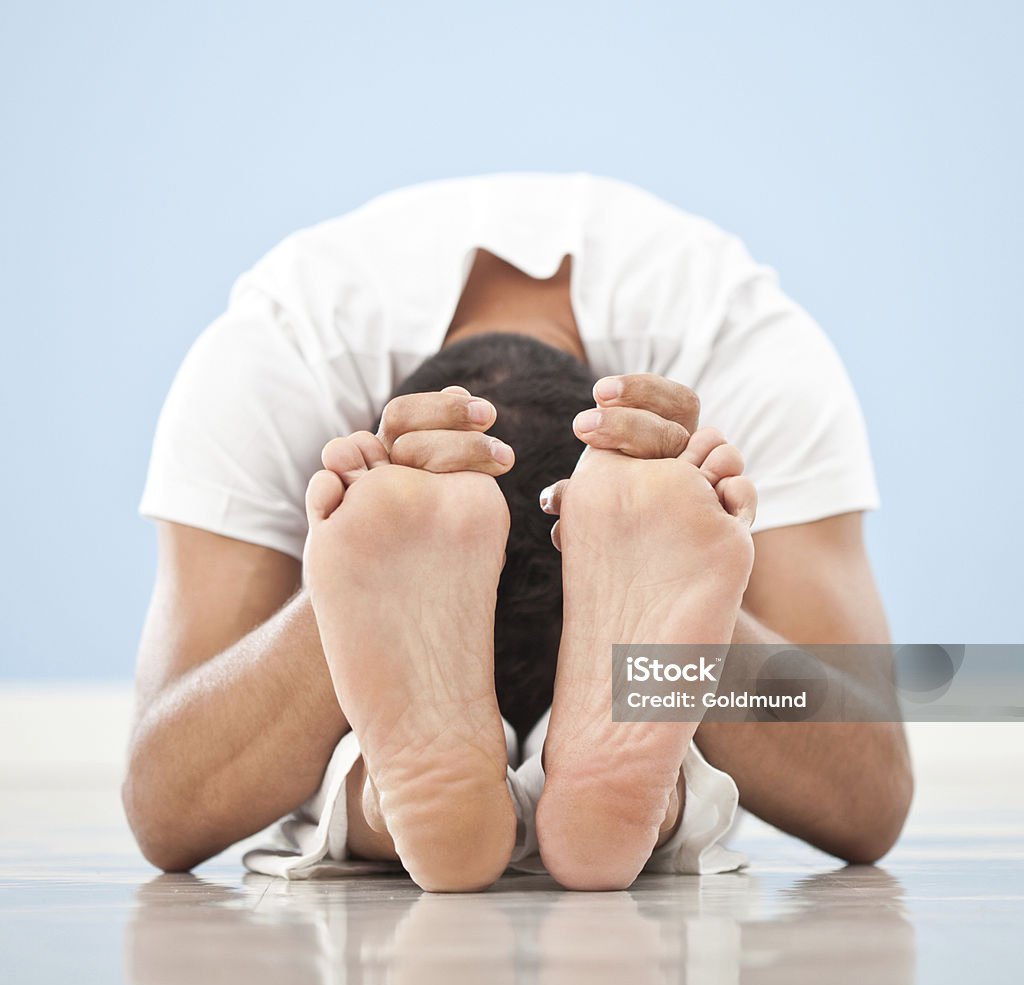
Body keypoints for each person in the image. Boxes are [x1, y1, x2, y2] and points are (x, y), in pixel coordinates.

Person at [124, 173, 912, 892]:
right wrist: (364, 581)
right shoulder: (282, 356)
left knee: (383, 748)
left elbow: (868, 793)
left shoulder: (739, 347)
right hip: (610, 667)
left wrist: (662, 583)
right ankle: (661, 804)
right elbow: (867, 805)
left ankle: (387, 811)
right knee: (651, 714)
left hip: (590, 615)